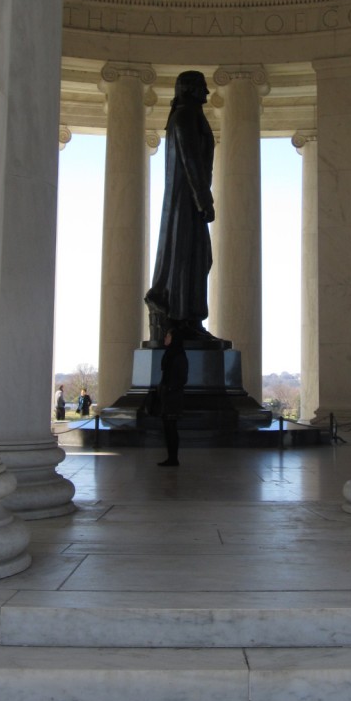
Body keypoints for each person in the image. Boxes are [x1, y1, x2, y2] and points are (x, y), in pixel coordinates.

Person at [145, 70, 215, 343]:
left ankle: (190, 319)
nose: (206, 94)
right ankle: (183, 319)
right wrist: (203, 199)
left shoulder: (187, 116)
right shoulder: (185, 117)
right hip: (186, 201)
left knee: (198, 257)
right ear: (189, 90)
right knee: (188, 257)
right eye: (201, 88)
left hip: (186, 200)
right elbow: (191, 160)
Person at [157, 327, 188, 467]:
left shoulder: (178, 355)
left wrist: (169, 388)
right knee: (168, 428)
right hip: (167, 395)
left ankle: (173, 458)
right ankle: (171, 457)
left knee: (171, 428)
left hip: (172, 396)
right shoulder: (171, 354)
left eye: (168, 336)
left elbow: (182, 378)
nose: (165, 338)